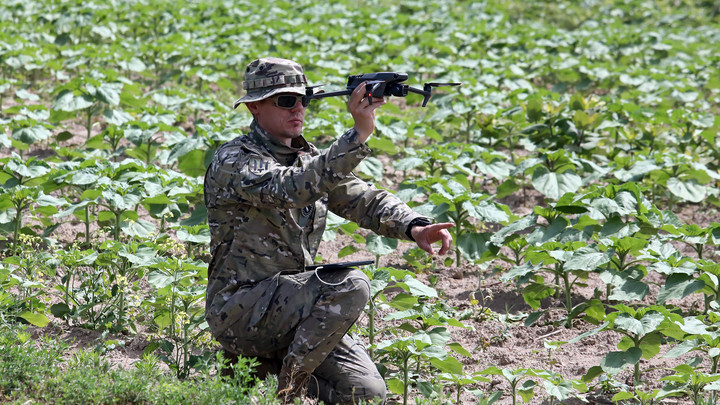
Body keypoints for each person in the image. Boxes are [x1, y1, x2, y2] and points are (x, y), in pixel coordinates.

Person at [203, 57, 454, 404]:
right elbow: (290, 188)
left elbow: (360, 198)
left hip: (294, 310)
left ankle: (262, 369)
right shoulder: (236, 161)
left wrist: (414, 226)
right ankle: (287, 390)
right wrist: (358, 134)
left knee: (366, 393)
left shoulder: (307, 159)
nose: (298, 109)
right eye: (286, 100)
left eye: (303, 99)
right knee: (350, 285)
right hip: (241, 310)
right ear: (254, 107)